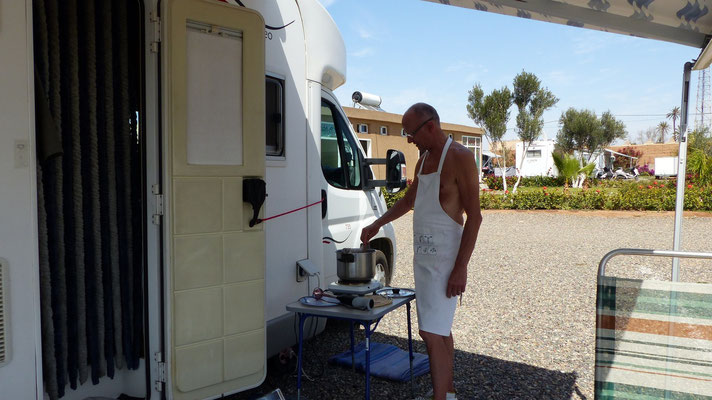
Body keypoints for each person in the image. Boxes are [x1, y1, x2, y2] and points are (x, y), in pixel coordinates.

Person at [361, 103, 482, 400]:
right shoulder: (423, 160)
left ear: (430, 126)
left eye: (410, 133)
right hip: (423, 259)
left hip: (445, 262)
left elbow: (475, 217)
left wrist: (460, 268)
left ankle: (441, 397)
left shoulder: (461, 158)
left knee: (431, 333)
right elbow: (408, 201)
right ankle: (447, 391)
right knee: (439, 330)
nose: (408, 140)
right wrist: (377, 223)